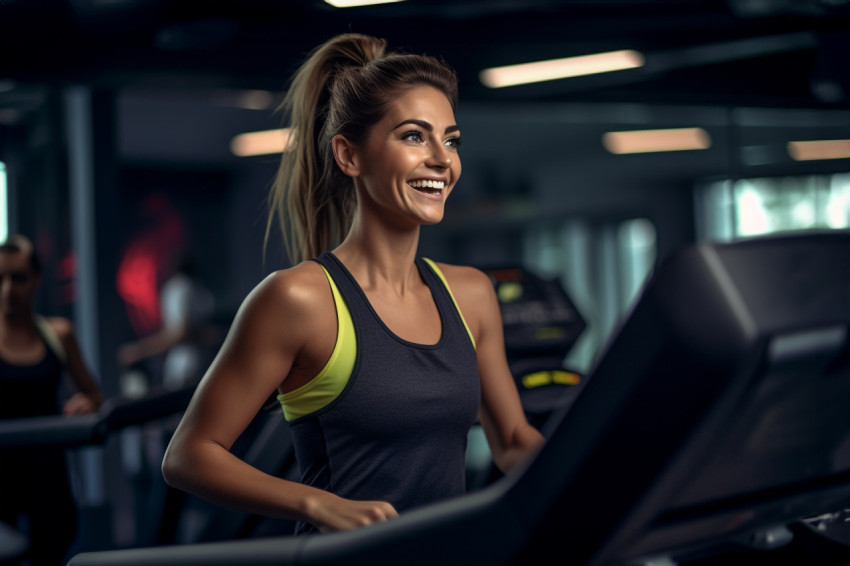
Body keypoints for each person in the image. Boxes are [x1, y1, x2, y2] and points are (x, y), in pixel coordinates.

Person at [162, 32, 545, 535]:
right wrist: (317, 504)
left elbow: (514, 439)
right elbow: (189, 455)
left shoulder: (471, 294)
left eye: (450, 139)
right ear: (349, 156)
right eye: (414, 136)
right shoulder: (299, 299)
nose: (441, 159)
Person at [0, 234, 103, 565]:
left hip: (48, 471)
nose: (7, 290)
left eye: (18, 278)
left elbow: (94, 393)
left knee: (54, 548)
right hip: (2, 473)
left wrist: (86, 403)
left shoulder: (57, 333)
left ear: (36, 281)